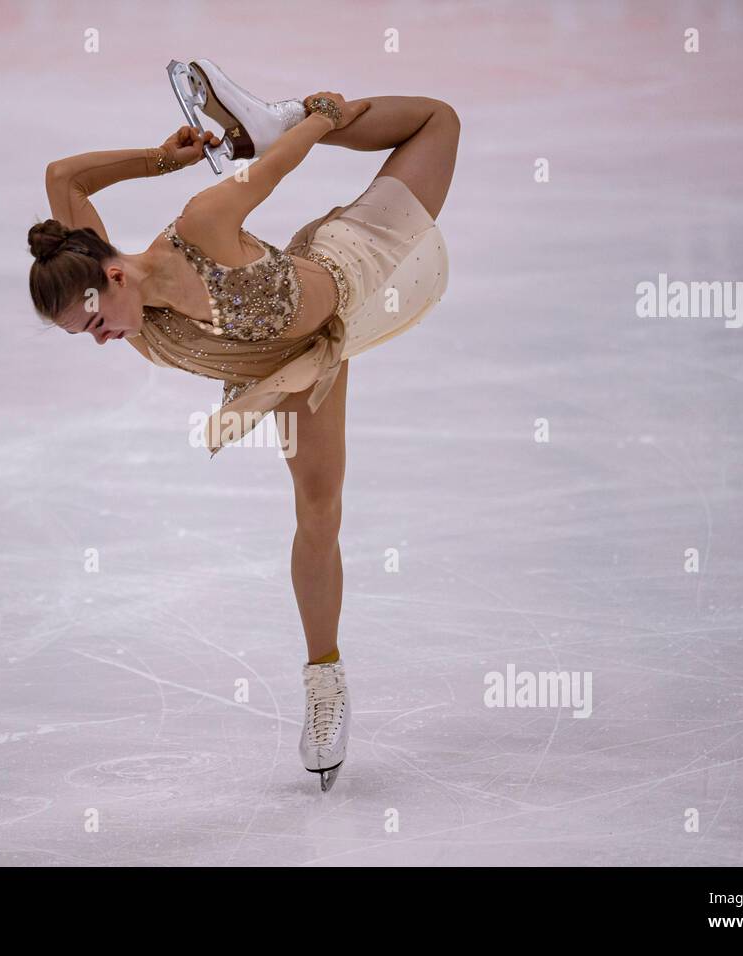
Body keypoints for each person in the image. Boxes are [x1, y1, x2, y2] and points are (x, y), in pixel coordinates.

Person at [29, 60, 460, 791]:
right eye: (84, 335)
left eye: (95, 320)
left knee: (439, 119)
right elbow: (64, 180)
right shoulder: (105, 281)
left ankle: (277, 112)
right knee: (319, 510)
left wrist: (317, 117)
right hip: (292, 369)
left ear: (117, 276)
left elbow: (268, 177)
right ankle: (325, 683)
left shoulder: (198, 226)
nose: (102, 338)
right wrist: (159, 157)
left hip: (361, 264)